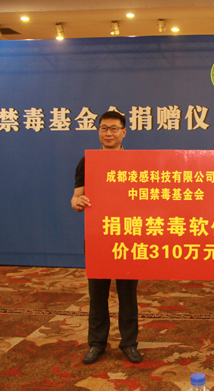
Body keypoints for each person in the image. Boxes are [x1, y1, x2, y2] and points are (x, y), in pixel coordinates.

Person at [71, 111, 142, 365]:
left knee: (128, 294)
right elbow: (76, 197)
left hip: (128, 235)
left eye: (113, 128)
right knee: (97, 294)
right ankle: (97, 343)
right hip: (99, 237)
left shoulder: (136, 162)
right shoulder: (87, 161)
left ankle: (129, 343)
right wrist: (77, 202)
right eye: (103, 128)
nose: (108, 133)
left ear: (124, 132)